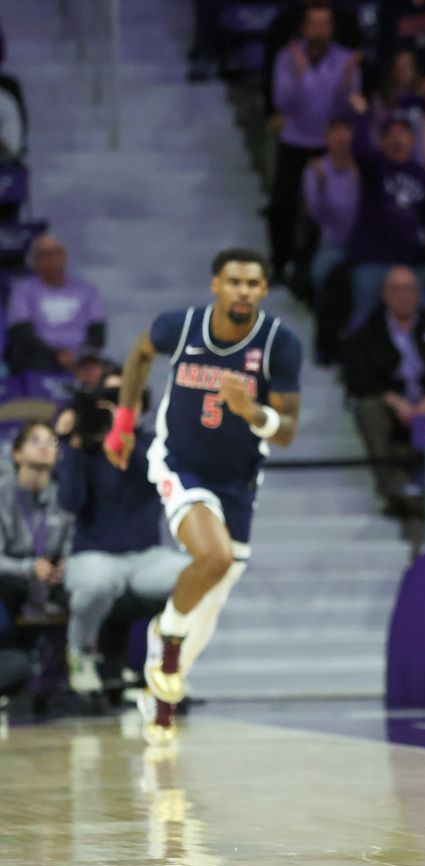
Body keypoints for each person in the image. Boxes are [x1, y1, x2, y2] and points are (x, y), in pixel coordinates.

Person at [105, 249, 303, 745]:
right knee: (211, 559)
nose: (243, 291)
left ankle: (162, 687)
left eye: (253, 283)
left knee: (211, 601)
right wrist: (124, 424)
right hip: (179, 462)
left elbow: (287, 432)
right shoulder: (182, 327)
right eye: (234, 281)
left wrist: (251, 411)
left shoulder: (280, 343)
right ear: (216, 284)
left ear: (263, 291)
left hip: (238, 479)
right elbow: (138, 355)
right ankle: (165, 638)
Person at [56, 369, 190, 696]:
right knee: (98, 581)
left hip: (146, 558)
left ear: (140, 406)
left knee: (198, 576)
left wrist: (123, 430)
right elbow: (70, 502)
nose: (116, 407)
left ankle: (166, 662)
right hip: (95, 555)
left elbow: (159, 478)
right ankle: (81, 652)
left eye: (124, 400)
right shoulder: (86, 450)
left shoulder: (154, 444)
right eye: (110, 399)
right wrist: (71, 445)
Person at [342, 265, 425, 510]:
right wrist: (394, 400)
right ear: (385, 294)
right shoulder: (368, 333)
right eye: (397, 289)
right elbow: (357, 378)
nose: (404, 295)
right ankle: (394, 489)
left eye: (410, 288)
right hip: (394, 409)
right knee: (368, 409)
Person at [268, 0, 360, 284]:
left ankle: (307, 269)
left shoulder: (345, 60)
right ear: (304, 27)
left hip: (328, 145)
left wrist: (344, 81)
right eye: (314, 23)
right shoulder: (287, 57)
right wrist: (303, 74)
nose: (320, 29)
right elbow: (283, 101)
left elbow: (347, 106)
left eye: (325, 23)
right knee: (281, 205)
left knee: (321, 210)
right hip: (295, 140)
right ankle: (279, 263)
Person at [347, 115, 425, 327]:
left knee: (424, 315)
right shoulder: (373, 166)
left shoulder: (422, 175)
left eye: (403, 135)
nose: (398, 140)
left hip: (410, 261)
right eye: (392, 136)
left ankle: (423, 358)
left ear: (412, 140)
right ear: (382, 141)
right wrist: (362, 116)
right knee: (364, 317)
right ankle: (355, 358)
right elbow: (357, 149)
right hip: (372, 259)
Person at [0, 422, 74, 629]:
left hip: (53, 581)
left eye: (52, 442)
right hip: (10, 581)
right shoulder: (3, 493)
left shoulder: (65, 495)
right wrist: (29, 567)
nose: (45, 446)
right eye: (35, 440)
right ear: (17, 454)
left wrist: (67, 564)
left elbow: (74, 541)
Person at [7, 233, 106, 374]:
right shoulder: (23, 291)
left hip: (81, 357)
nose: (52, 259)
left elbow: (97, 333)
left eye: (57, 253)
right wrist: (56, 355)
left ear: (64, 257)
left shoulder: (87, 290)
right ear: (35, 261)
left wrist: (78, 355)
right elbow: (21, 333)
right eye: (45, 254)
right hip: (38, 356)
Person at [301, 116, 360, 296]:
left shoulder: (364, 167)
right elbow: (316, 214)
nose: (341, 136)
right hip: (332, 244)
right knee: (321, 274)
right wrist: (321, 186)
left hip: (364, 245)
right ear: (326, 138)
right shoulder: (315, 170)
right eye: (335, 132)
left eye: (345, 131)